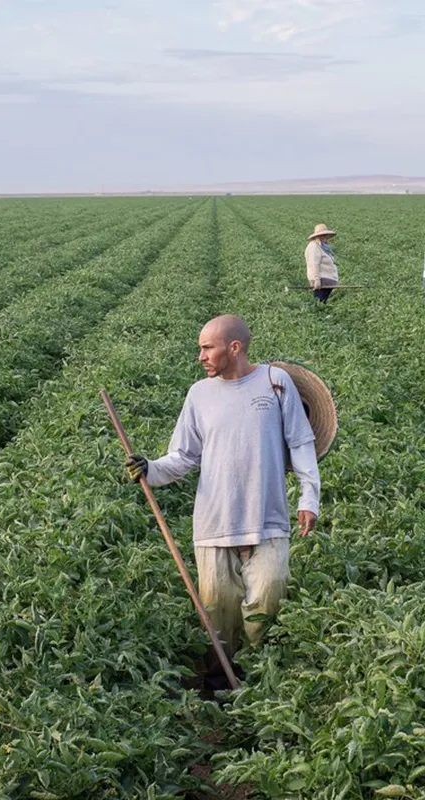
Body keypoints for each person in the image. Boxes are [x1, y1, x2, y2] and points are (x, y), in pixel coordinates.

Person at [124, 315, 320, 684]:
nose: (200, 356)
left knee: (268, 600)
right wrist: (149, 468)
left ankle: (261, 678)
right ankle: (218, 684)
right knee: (217, 613)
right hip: (215, 522)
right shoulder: (199, 394)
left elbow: (300, 441)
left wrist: (309, 497)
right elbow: (182, 456)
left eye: (206, 347)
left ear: (235, 348)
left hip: (268, 519)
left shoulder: (275, 384)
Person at [305, 223, 339, 303]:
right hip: (321, 282)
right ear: (317, 236)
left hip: (327, 282)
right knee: (319, 302)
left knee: (322, 302)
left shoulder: (323, 246)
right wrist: (317, 280)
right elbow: (314, 264)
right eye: (323, 235)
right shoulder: (314, 246)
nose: (325, 237)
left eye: (326, 235)